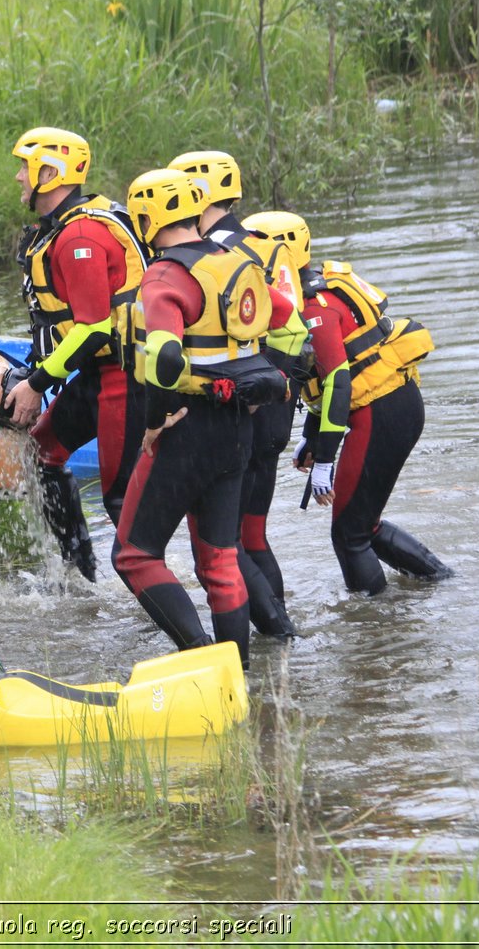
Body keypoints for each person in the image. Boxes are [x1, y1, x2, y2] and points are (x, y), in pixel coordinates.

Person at [110, 169, 306, 668]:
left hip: (186, 428)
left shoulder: (165, 275)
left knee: (133, 556)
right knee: (219, 560)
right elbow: (287, 321)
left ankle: (200, 660)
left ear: (146, 218)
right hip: (239, 428)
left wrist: (154, 423)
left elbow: (167, 360)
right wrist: (268, 381)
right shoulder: (241, 261)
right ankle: (236, 676)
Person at [274, 213, 453, 593]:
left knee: (350, 535)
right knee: (362, 525)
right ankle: (441, 582)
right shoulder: (312, 293)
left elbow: (339, 383)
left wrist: (324, 461)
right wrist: (311, 435)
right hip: (390, 405)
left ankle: (372, 632)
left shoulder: (314, 309)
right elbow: (325, 380)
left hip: (382, 413)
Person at [2, 127, 149, 581]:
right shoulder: (62, 229)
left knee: (120, 499)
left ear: (51, 172)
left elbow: (94, 329)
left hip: (126, 378)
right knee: (42, 450)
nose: (18, 178)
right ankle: (79, 577)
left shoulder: (78, 236)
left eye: (24, 168)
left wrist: (35, 384)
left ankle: (149, 592)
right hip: (99, 373)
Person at [169, 151, 299, 638]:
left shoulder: (217, 255)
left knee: (225, 543)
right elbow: (294, 326)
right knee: (249, 536)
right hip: (276, 404)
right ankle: (279, 639)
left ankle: (277, 632)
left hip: (240, 406)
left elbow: (279, 319)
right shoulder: (266, 246)